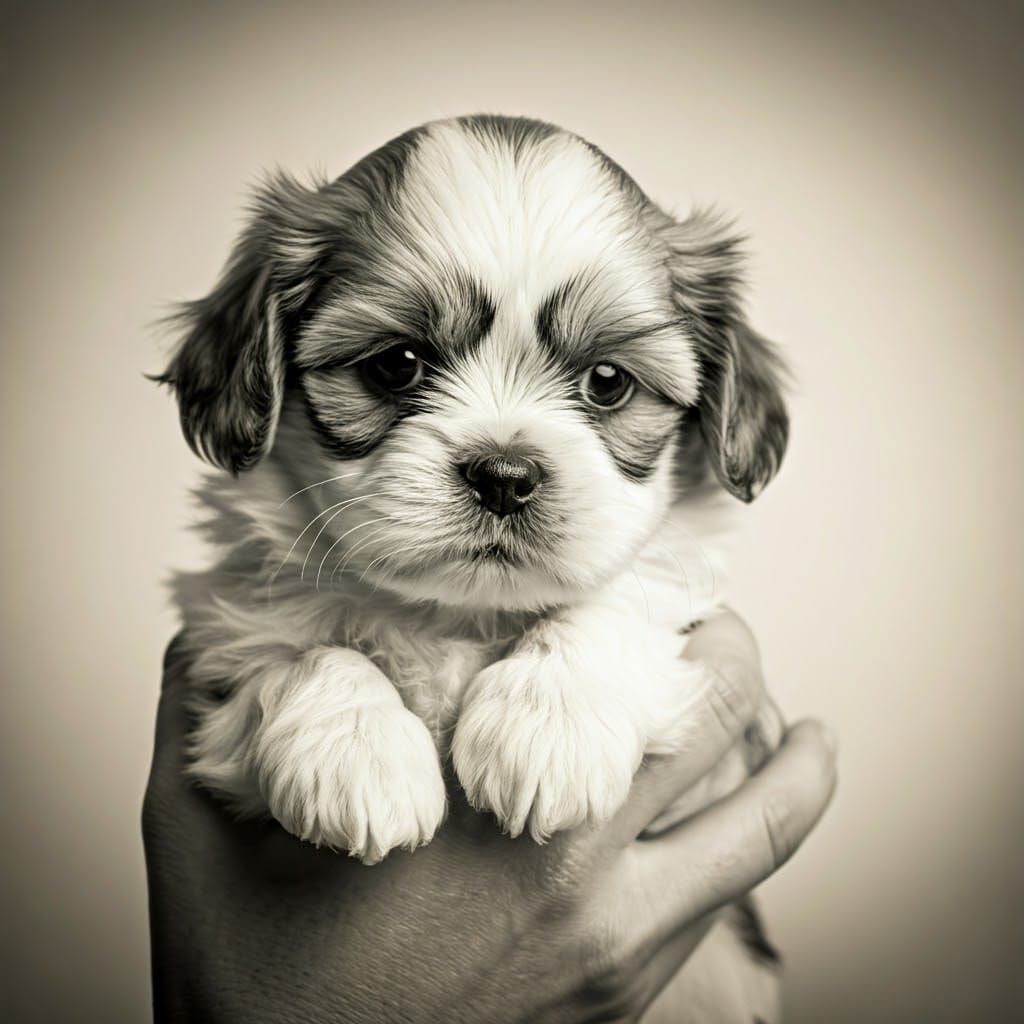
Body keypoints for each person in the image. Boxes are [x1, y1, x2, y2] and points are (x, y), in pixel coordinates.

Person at [143, 611, 837, 1022]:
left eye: (603, 405)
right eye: (400, 389)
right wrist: (313, 692)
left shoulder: (630, 615)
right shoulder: (284, 614)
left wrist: (579, 664)